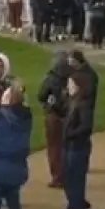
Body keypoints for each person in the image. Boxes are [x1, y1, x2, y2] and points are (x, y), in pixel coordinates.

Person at [61, 75, 95, 209]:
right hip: (71, 145)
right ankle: (77, 203)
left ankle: (75, 207)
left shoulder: (83, 105)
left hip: (78, 146)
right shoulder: (72, 101)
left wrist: (70, 134)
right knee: (70, 176)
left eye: (71, 84)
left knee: (74, 177)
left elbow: (86, 126)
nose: (68, 87)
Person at [36, 51, 70, 188]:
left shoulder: (50, 78)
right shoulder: (72, 76)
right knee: (67, 146)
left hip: (54, 115)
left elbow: (41, 95)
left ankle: (57, 176)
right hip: (69, 115)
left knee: (54, 147)